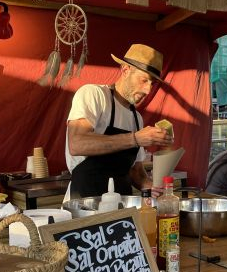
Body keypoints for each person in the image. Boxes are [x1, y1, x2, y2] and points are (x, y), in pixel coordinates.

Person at [64, 44, 173, 200]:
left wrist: (149, 186)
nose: (148, 90)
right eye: (144, 80)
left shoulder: (137, 118)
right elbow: (76, 143)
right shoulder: (94, 95)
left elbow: (135, 171)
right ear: (125, 70)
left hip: (122, 208)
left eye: (152, 84)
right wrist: (135, 138)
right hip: (85, 203)